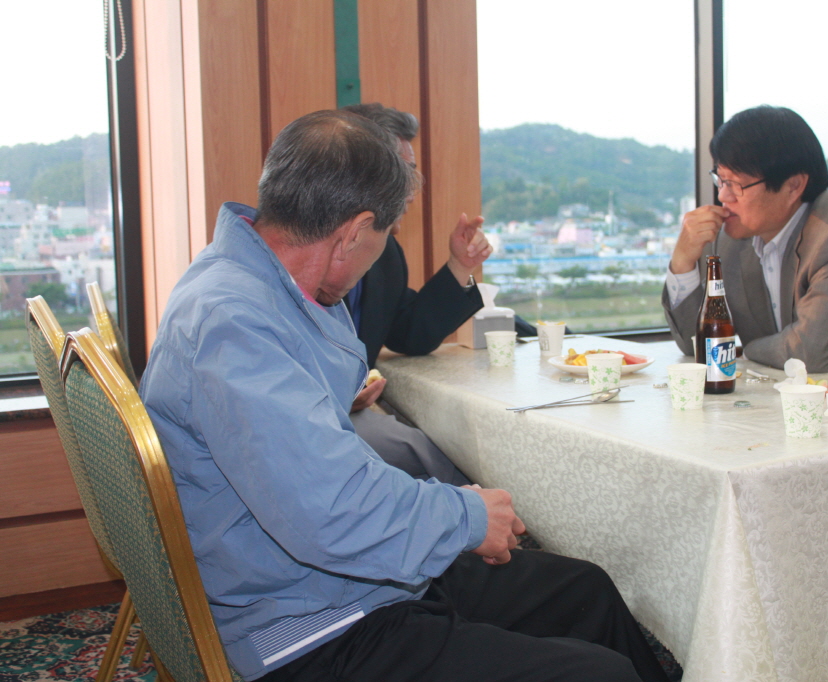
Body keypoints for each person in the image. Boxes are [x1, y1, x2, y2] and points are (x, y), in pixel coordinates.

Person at [140, 110, 670, 682]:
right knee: (598, 673)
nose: (381, 251)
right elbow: (333, 510)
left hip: (324, 578)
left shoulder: (252, 282)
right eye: (386, 234)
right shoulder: (234, 323)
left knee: (583, 589)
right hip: (303, 628)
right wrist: (465, 517)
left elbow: (323, 478)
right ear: (354, 231)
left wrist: (449, 513)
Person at [662, 105, 828, 379]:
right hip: (786, 397)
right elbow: (696, 345)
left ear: (794, 186)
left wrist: (743, 350)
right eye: (721, 180)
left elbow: (807, 352)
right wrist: (683, 262)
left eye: (736, 185)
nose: (723, 197)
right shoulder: (729, 238)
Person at [342, 103, 487, 485]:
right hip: (308, 419)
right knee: (433, 453)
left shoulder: (386, 252)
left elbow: (409, 333)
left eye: (413, 170)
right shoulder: (303, 251)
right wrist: (338, 393)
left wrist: (460, 266)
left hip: (346, 410)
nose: (413, 187)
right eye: (404, 171)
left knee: (447, 448)